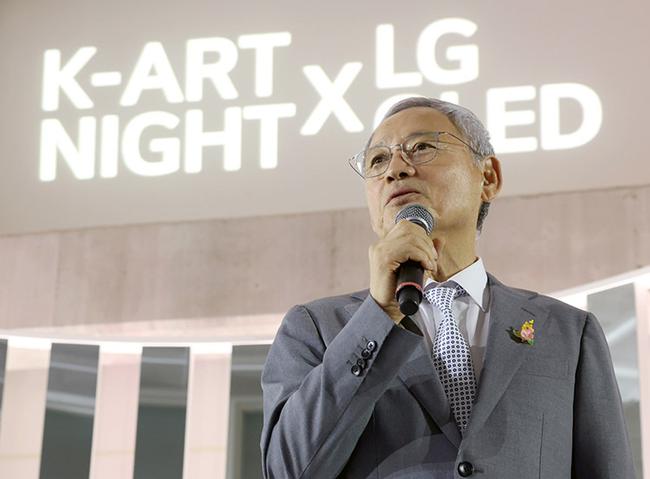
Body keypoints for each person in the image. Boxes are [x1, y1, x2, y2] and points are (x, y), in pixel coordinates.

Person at [260, 97, 635, 478]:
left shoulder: (568, 331)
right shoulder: (316, 328)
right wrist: (378, 316)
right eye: (378, 160)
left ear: (488, 178)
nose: (396, 170)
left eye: (422, 147)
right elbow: (287, 470)